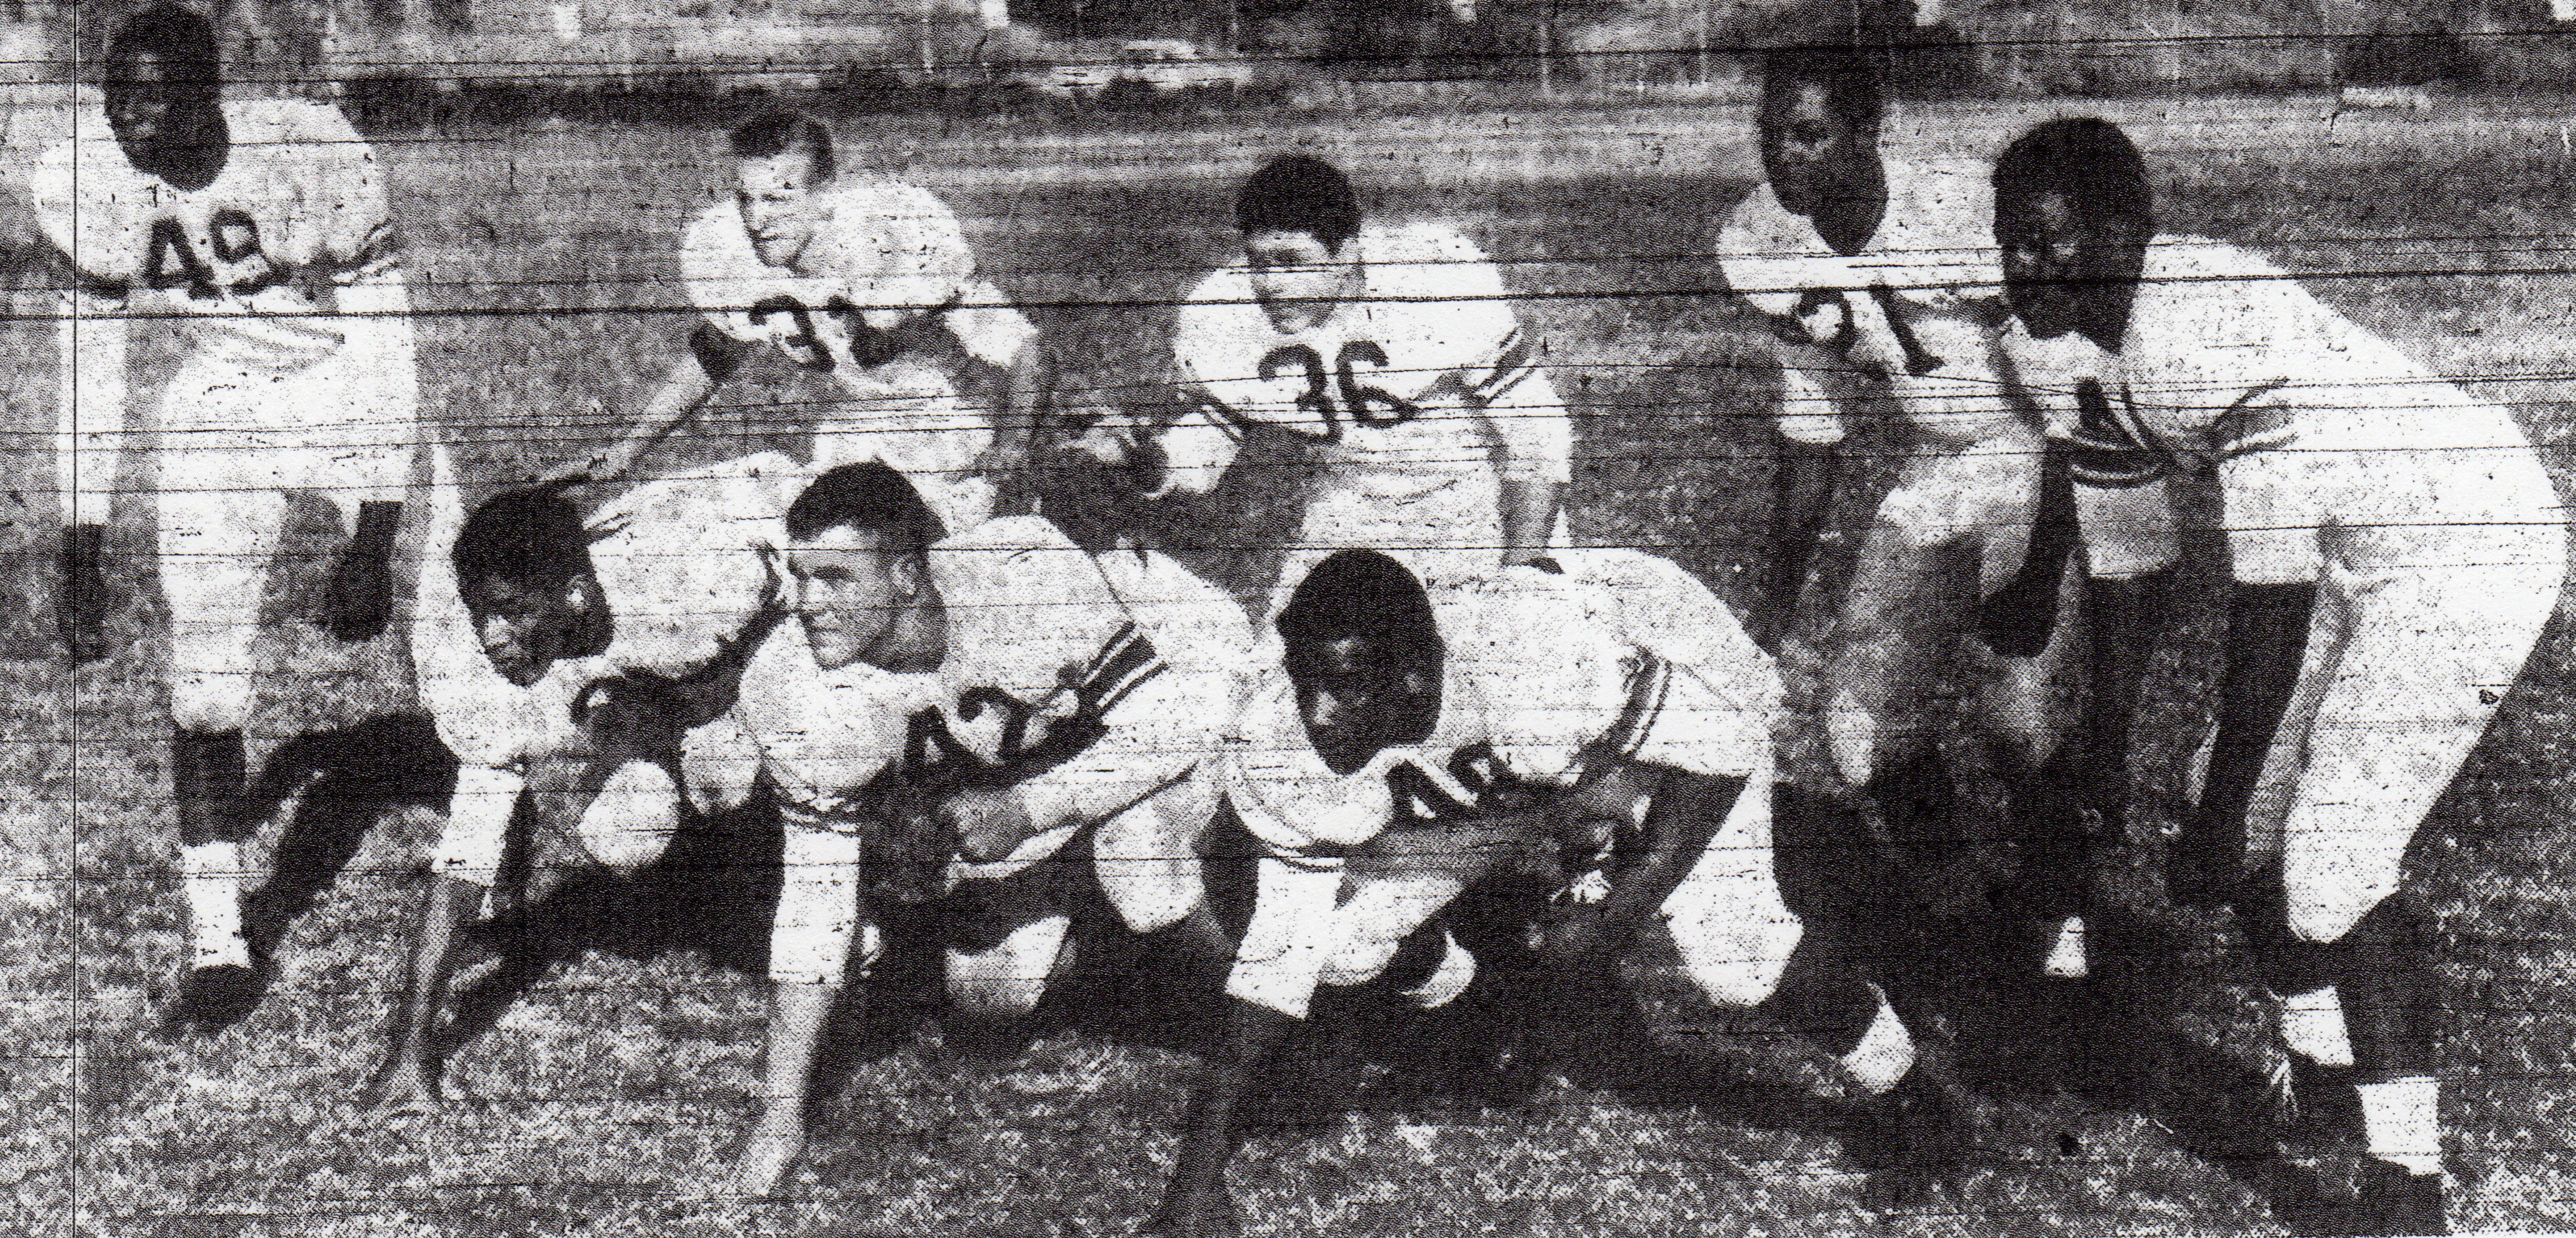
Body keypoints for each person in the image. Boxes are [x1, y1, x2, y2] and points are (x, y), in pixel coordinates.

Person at [1991, 115, 2567, 1236]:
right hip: (2356, 552)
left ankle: (2408, 1191)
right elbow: (2126, 570)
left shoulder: (2201, 321)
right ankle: (2325, 1080)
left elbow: (2269, 600)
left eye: (2051, 242)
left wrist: (2211, 818)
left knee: (2331, 856)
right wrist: (2107, 751)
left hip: (2469, 543)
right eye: (2011, 238)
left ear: (2125, 233)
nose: (2025, 266)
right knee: (2245, 810)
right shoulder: (2056, 351)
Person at [1145, 549, 1948, 1238]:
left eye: (1349, 685)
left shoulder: (1528, 663)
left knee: (1734, 955)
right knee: (1344, 944)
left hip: (1679, 680)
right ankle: (1480, 1023)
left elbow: (1719, 743)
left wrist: (1614, 912)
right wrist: (1194, 1178)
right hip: (1539, 759)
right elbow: (1276, 958)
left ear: (1416, 675)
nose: (1320, 712)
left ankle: (1920, 1097)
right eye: (1308, 680)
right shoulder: (1286, 735)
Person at [33, 2, 419, 1027]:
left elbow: (385, 336)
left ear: (210, 96)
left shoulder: (307, 148)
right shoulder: (89, 178)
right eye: (116, 92)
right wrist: (82, 547)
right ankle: (218, 938)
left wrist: (374, 530)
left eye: (152, 94)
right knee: (204, 677)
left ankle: (490, 810)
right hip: (221, 395)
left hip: (339, 381)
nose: (127, 115)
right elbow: (93, 367)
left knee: (454, 618)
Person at [719, 461, 1250, 1196]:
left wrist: (1030, 810)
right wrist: (780, 1117)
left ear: (906, 577)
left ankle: (1267, 1012)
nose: (809, 603)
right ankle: (1092, 907)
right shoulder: (788, 683)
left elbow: (1171, 721)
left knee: (1139, 863)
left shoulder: (1021, 579)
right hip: (1059, 748)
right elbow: (814, 899)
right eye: (800, 576)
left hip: (1188, 668)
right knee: (993, 998)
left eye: (836, 578)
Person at [1716, 44, 2099, 981]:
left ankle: (2065, 923)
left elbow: (2072, 386)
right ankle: (1963, 904)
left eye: (1808, 135)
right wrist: (1773, 607)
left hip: (2039, 454)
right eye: (1770, 136)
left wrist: (2047, 559)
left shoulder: (1964, 209)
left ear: (1867, 131)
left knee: (2020, 725)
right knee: (1857, 732)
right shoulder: (1756, 242)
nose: (1784, 158)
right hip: (1938, 469)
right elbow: (1811, 432)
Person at [365, 452, 793, 1113]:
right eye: (481, 612)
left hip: (771, 580)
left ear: (574, 594)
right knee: (624, 832)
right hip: (660, 674)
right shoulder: (515, 659)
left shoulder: (701, 581)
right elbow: (463, 859)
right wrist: (411, 1048)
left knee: (730, 779)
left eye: (508, 611)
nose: (491, 636)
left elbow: (819, 585)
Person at [1079, 153, 1571, 604]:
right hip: (1345, 507)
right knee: (1288, 668)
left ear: (1348, 254)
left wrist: (1523, 563)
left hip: (1473, 504)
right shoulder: (1224, 313)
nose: (1270, 284)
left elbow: (1537, 430)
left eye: (1292, 262)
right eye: (1258, 264)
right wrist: (1145, 459)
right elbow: (1214, 436)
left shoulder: (1433, 284)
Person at [562, 109, 1046, 537]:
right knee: (701, 508)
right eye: (747, 199)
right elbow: (715, 356)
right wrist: (628, 450)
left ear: (827, 196)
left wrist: (1012, 445)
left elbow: (1028, 349)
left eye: (778, 200)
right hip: (861, 436)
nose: (757, 220)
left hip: (959, 438)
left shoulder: (885, 237)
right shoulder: (744, 258)